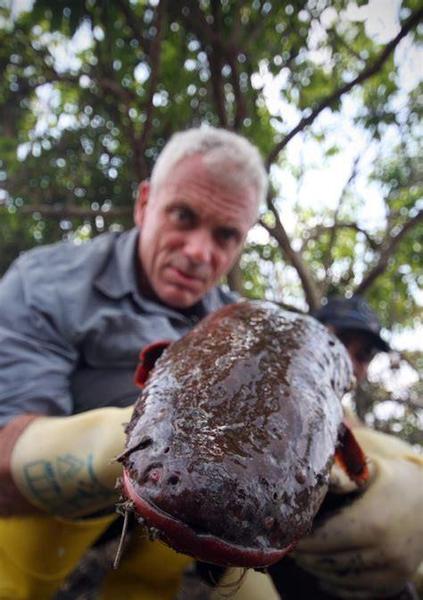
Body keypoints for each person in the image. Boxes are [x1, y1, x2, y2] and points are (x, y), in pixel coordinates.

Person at [0, 126, 421, 600]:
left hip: (200, 515)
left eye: (225, 235)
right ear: (144, 204)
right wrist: (100, 447)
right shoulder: (47, 283)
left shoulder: (249, 325)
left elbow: (329, 421)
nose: (200, 252)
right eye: (183, 216)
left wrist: (403, 470)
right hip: (60, 511)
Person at [214, 296, 423, 600]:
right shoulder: (257, 393)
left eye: (363, 354)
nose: (348, 360)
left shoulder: (358, 429)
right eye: (336, 341)